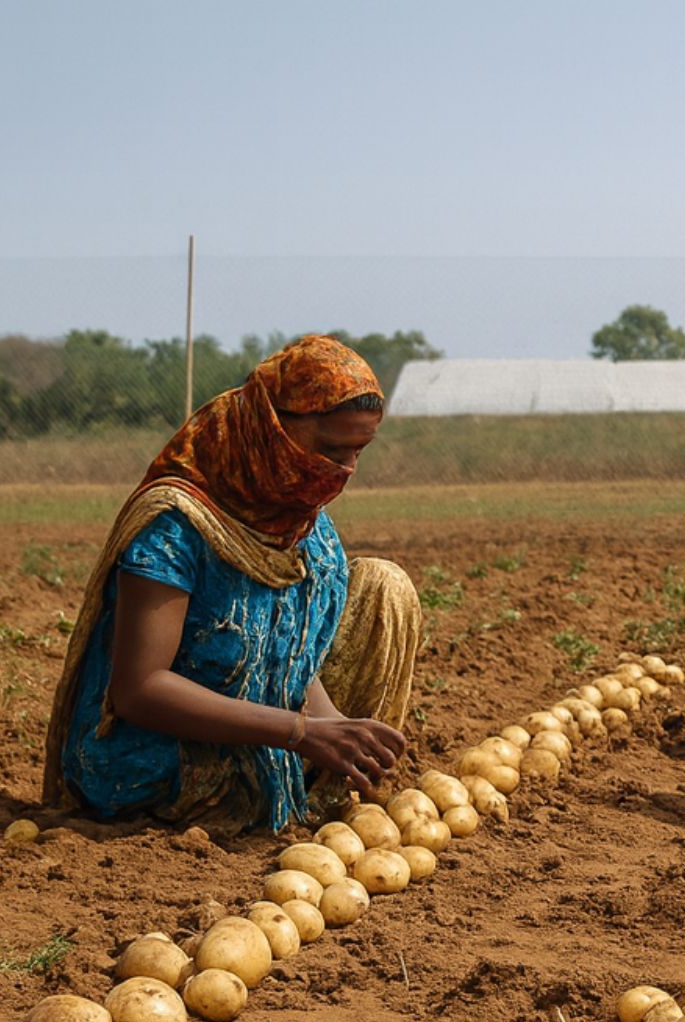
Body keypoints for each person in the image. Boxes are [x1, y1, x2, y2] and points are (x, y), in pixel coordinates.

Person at [42, 335, 422, 833]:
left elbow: (285, 645)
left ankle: (325, 785)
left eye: (358, 452)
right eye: (330, 449)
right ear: (273, 428)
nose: (344, 471)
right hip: (160, 758)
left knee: (384, 588)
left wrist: (331, 728)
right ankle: (271, 786)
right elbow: (138, 690)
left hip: (267, 733)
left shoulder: (299, 515)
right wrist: (299, 732)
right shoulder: (176, 525)